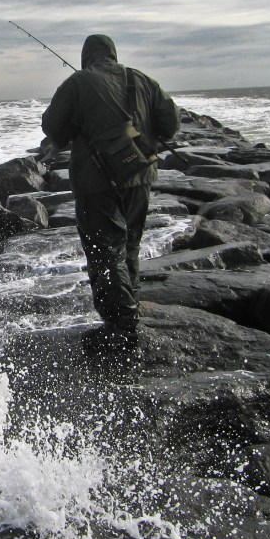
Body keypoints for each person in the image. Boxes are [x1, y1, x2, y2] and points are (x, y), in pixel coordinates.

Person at [41, 34, 180, 344]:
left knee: (105, 252)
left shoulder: (77, 82)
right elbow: (170, 123)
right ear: (113, 54)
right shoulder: (140, 79)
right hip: (139, 175)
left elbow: (52, 126)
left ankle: (122, 325)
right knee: (128, 245)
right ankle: (129, 311)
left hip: (96, 183)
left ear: (86, 56)